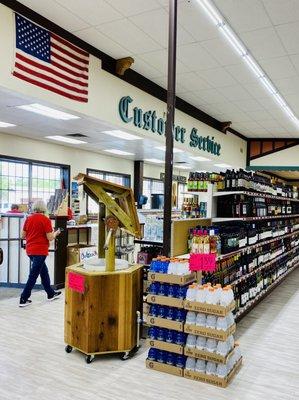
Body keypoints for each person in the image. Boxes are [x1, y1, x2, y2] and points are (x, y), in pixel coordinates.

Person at [19, 200, 61, 307]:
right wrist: (56, 233)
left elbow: (23, 235)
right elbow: (50, 237)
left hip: (30, 251)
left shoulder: (28, 219)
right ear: (44, 208)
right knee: (33, 275)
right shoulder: (45, 219)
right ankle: (24, 297)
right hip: (40, 251)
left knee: (44, 271)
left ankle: (50, 294)